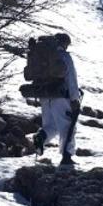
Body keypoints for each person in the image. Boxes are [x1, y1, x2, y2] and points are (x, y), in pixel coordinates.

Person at [32, 33, 82, 167]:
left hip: (44, 94)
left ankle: (41, 137)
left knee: (51, 125)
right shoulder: (64, 57)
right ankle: (67, 156)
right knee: (67, 125)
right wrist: (74, 99)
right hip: (61, 96)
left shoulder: (43, 55)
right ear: (64, 43)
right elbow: (71, 79)